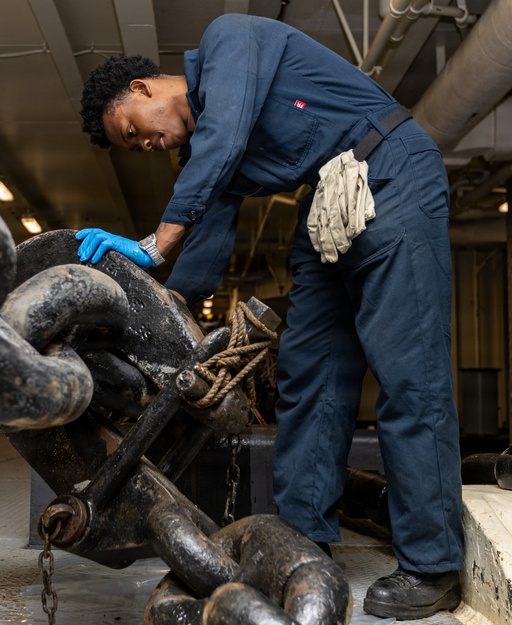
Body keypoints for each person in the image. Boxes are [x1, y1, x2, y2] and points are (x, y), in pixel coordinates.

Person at [76, 13, 463, 621]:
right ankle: (306, 539)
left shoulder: (231, 41)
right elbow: (206, 237)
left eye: (135, 131)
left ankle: (433, 562)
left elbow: (225, 138)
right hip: (327, 203)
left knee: (408, 374)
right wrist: (157, 315)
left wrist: (153, 243)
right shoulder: (205, 154)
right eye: (135, 148)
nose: (148, 147)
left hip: (389, 174)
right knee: (309, 372)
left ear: (145, 88)